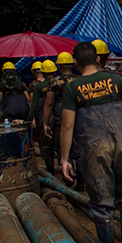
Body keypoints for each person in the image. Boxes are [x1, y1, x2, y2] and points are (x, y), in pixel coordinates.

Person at [59, 42, 122, 243]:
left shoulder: (72, 88)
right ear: (97, 59)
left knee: (102, 200)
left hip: (94, 145)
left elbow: (67, 126)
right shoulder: (116, 80)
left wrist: (65, 159)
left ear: (75, 62)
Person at [43, 52, 80, 185]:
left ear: (59, 67)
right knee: (79, 147)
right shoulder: (79, 80)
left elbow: (49, 103)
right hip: (79, 113)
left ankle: (68, 176)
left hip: (61, 114)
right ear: (72, 65)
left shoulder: (54, 82)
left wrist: (45, 122)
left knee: (63, 144)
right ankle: (81, 180)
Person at [29, 60, 56, 170]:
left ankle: (50, 171)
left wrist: (30, 119)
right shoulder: (60, 83)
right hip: (61, 117)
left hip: (44, 118)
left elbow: (33, 104)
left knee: (46, 146)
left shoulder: (38, 86)